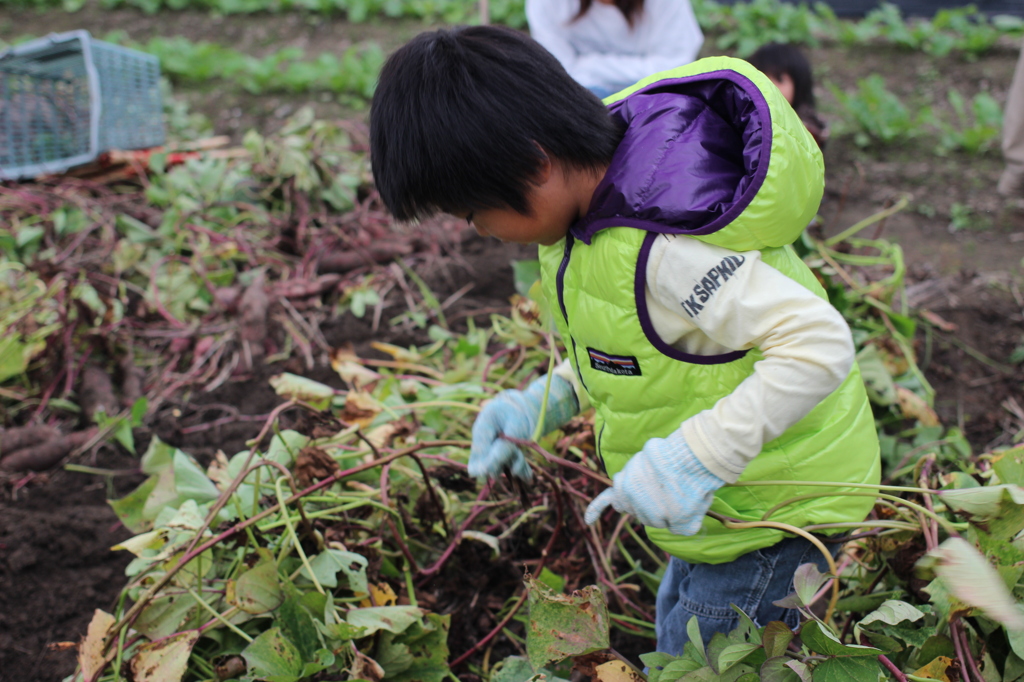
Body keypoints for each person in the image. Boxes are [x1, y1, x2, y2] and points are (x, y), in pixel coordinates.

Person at [369, 26, 880, 652]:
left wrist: (698, 457)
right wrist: (542, 403)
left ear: (535, 163)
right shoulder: (588, 219)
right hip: (725, 511)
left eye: (474, 213)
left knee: (700, 655)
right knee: (679, 617)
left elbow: (817, 344)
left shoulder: (666, 248)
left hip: (778, 514)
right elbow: (637, 351)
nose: (480, 231)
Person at [526, 0, 704, 99]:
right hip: (580, 96)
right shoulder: (547, 4)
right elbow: (559, 70)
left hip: (656, 95)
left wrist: (590, 66)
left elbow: (675, 65)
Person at [747, 42, 829, 149]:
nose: (769, 87)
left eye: (779, 79)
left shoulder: (809, 133)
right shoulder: (744, 119)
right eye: (762, 79)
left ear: (799, 85)